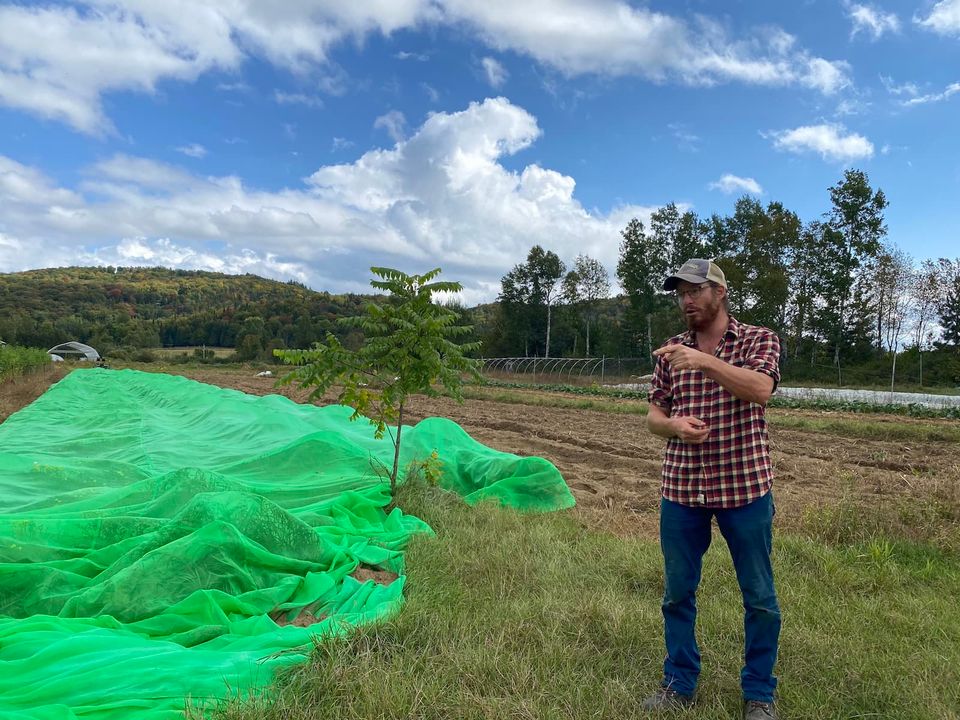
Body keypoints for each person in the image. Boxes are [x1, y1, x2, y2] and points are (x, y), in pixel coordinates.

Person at [642, 258, 782, 720]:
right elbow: (653, 418)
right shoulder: (670, 352)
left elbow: (760, 389)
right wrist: (675, 427)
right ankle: (680, 683)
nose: (685, 300)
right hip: (682, 490)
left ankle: (759, 694)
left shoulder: (758, 339)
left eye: (694, 291)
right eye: (680, 292)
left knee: (759, 596)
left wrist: (702, 359)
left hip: (745, 489)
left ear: (719, 292)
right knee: (678, 593)